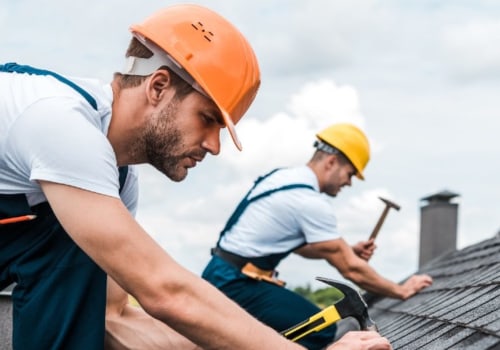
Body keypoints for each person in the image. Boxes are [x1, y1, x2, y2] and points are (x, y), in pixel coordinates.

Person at [0, 4, 393, 350]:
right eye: (207, 120)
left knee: (72, 256)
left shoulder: (114, 185)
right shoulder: (60, 123)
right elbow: (165, 291)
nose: (214, 146)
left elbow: (114, 319)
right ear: (158, 86)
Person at [202, 123, 433, 350]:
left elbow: (302, 247)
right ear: (332, 162)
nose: (348, 183)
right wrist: (401, 290)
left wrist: (348, 250)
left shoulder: (283, 178)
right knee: (320, 329)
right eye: (349, 174)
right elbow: (352, 270)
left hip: (221, 273)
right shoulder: (309, 201)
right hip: (236, 283)